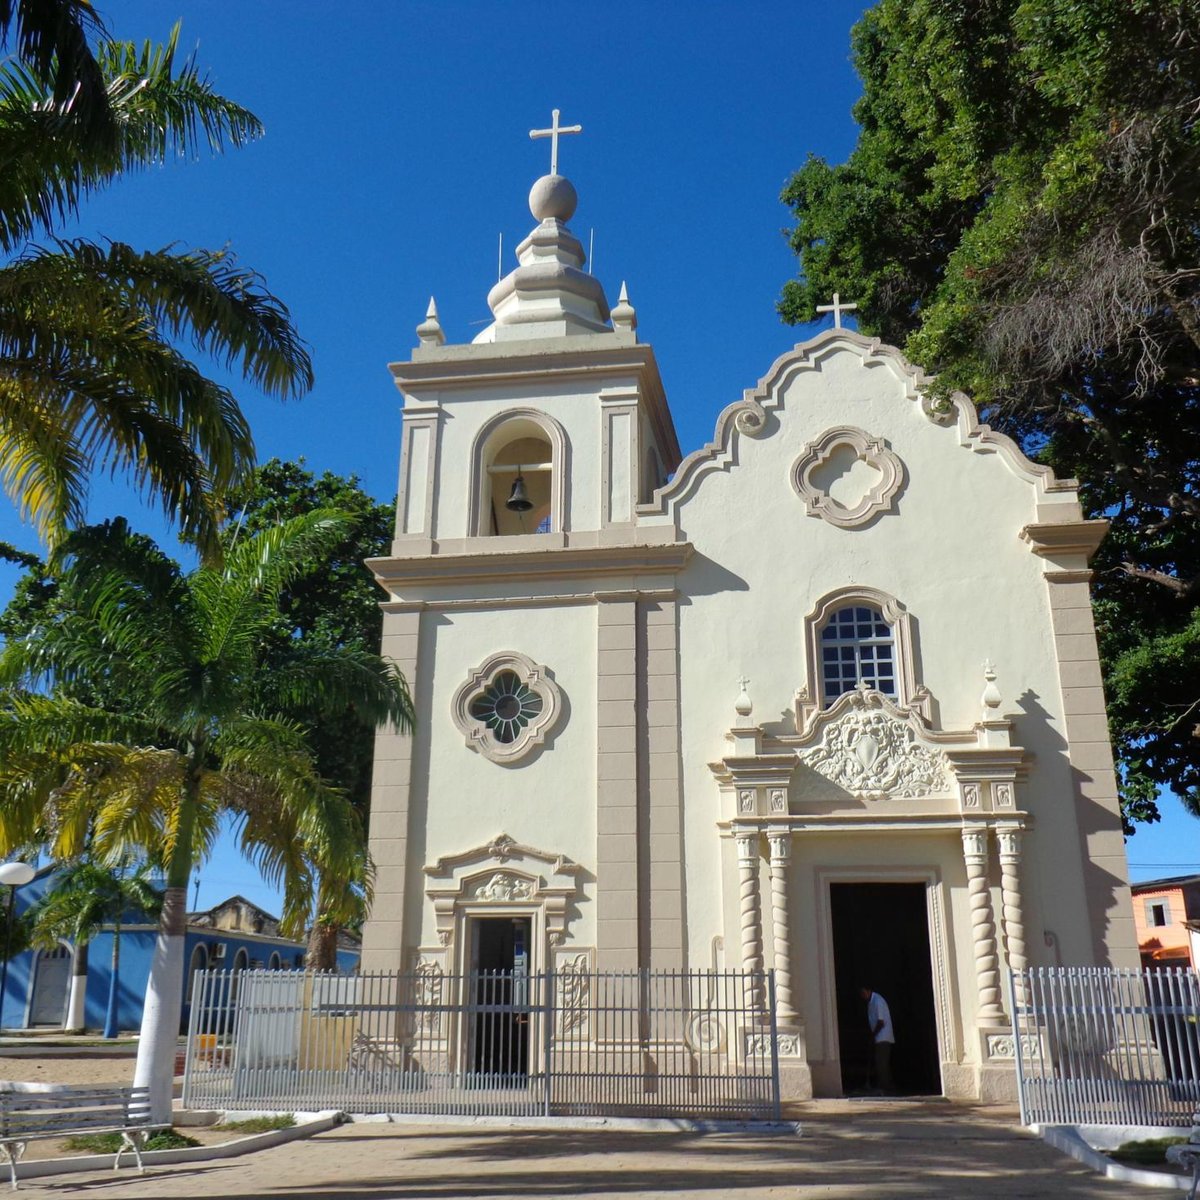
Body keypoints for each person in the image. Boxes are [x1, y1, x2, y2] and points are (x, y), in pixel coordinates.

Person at [860, 984, 895, 1094]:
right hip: (878, 1037)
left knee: (882, 1063)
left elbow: (881, 1022)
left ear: (868, 990)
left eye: (863, 992)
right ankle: (885, 1086)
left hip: (883, 1037)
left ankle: (886, 1088)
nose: (862, 995)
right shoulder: (870, 1003)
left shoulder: (878, 1001)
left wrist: (873, 1035)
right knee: (879, 1062)